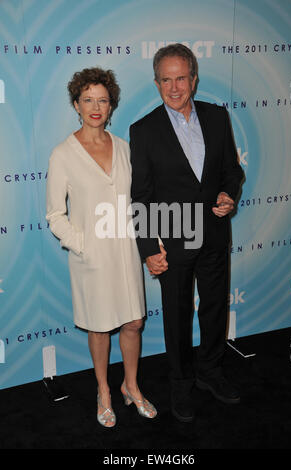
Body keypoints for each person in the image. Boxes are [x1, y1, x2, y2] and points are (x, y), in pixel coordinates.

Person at [130, 44, 244, 423]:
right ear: (156, 82)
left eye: (181, 78)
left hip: (213, 233)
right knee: (177, 317)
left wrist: (229, 195)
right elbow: (141, 197)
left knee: (214, 309)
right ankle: (181, 384)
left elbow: (231, 170)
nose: (174, 87)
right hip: (173, 240)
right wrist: (148, 247)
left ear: (194, 79)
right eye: (166, 79)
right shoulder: (143, 130)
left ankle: (211, 371)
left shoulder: (216, 116)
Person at [46, 67, 157, 428]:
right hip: (91, 257)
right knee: (99, 327)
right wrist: (82, 245)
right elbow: (54, 214)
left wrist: (149, 241)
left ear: (112, 106)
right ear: (76, 104)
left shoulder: (124, 147)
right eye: (88, 100)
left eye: (103, 100)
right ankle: (104, 392)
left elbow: (138, 202)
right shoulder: (62, 154)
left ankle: (131, 385)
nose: (96, 107)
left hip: (126, 252)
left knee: (134, 322)